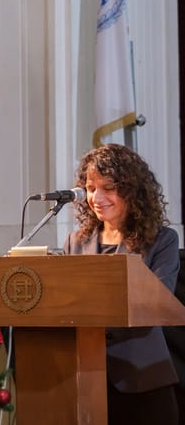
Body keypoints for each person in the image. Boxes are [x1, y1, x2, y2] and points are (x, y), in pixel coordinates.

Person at [63, 144, 179, 425]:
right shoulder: (75, 242)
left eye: (108, 188)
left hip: (143, 379)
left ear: (132, 190)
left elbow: (157, 304)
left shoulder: (162, 240)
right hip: (85, 380)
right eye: (91, 188)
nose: (96, 197)